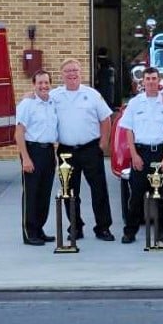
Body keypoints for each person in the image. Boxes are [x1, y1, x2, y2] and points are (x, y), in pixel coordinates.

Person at [52, 58, 115, 241]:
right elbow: (37, 98)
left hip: (90, 149)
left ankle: (103, 228)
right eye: (68, 71)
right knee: (69, 192)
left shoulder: (92, 94)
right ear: (62, 74)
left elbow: (106, 119)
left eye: (75, 70)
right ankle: (75, 227)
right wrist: (28, 95)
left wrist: (103, 143)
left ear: (81, 73)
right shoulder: (55, 96)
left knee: (99, 190)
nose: (72, 74)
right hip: (66, 151)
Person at [117, 67, 163, 245]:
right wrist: (134, 155)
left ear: (158, 81)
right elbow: (128, 131)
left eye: (154, 78)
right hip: (141, 153)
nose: (151, 82)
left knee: (162, 196)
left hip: (161, 153)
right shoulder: (135, 103)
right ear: (142, 82)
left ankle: (162, 232)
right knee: (136, 196)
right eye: (148, 79)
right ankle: (130, 232)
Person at [14, 70, 59, 246]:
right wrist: (25, 158)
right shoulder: (27, 104)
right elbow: (19, 133)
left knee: (44, 193)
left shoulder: (53, 102)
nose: (43, 86)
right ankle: (29, 232)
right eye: (40, 83)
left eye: (46, 82)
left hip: (48, 152)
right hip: (32, 151)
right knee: (31, 194)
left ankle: (39, 229)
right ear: (34, 85)